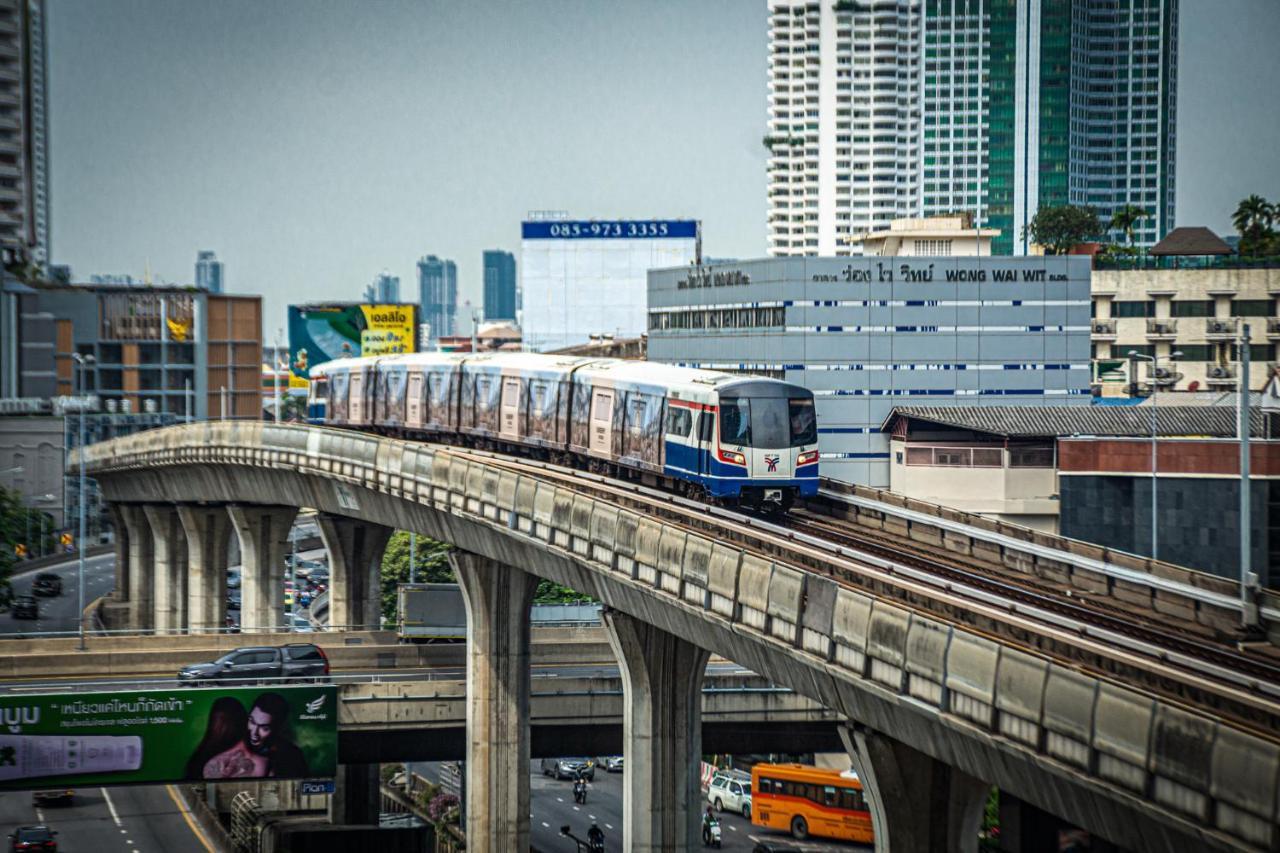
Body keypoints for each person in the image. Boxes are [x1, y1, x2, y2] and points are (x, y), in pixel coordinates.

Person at [201, 692, 309, 779]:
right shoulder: (233, 741)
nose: (254, 733)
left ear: (277, 729)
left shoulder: (292, 755)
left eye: (264, 728)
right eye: (252, 722)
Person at [184, 697, 248, 780]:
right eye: (216, 719)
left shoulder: (245, 755)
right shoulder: (201, 756)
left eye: (224, 720)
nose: (220, 726)